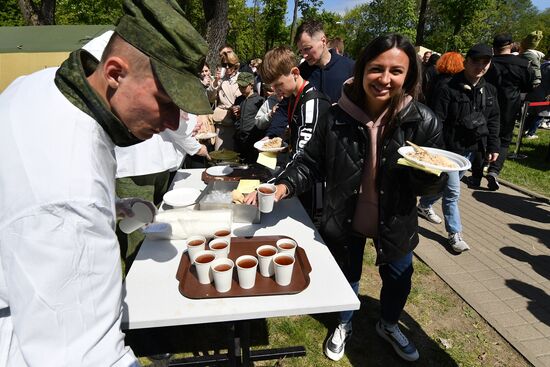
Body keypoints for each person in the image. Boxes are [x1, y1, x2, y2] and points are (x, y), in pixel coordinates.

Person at [0, 0, 212, 365]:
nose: (173, 120)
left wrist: (110, 206)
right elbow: (84, 355)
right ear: (115, 73)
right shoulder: (70, 197)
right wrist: (91, 208)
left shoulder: (37, 86)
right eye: (165, 101)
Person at [247, 34, 447, 362]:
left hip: (395, 219)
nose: (385, 79)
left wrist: (426, 177)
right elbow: (310, 162)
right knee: (346, 273)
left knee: (399, 278)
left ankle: (389, 323)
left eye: (396, 71)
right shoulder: (337, 116)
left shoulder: (423, 122)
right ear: (363, 68)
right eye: (376, 69)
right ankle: (344, 322)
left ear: (408, 75)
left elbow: (432, 187)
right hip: (345, 213)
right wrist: (282, 187)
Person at [417, 44, 500, 252]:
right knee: (453, 191)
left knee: (445, 186)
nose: (480, 66)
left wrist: (493, 146)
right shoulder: (448, 87)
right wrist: (437, 151)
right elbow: (438, 120)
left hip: (471, 150)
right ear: (466, 62)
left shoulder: (489, 90)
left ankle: (424, 205)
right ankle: (455, 234)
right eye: (476, 62)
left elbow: (493, 120)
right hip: (449, 150)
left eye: (485, 62)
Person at [259, 46, 332, 217]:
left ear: (295, 72)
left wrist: (271, 184)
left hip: (314, 186)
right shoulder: (294, 97)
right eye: (273, 86)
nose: (277, 91)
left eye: (279, 84)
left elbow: (303, 154)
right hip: (298, 179)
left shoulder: (311, 101)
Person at [266, 20, 355, 139]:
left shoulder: (350, 68)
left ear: (323, 41)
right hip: (305, 146)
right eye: (301, 51)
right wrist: (271, 136)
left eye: (307, 48)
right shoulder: (300, 72)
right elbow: (285, 106)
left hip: (339, 143)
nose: (304, 55)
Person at [483, 34, 534, 190]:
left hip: (487, 102)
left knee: (483, 133)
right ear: (511, 45)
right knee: (504, 139)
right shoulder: (523, 64)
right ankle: (494, 170)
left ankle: (479, 169)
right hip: (509, 105)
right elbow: (528, 86)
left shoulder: (488, 62)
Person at [207, 50, 241, 150]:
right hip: (222, 122)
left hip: (237, 122)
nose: (226, 67)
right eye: (224, 64)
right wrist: (216, 82)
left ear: (236, 66)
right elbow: (211, 98)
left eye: (229, 65)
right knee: (220, 155)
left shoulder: (242, 79)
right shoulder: (220, 79)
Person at [233, 72, 265, 163]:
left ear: (251, 85)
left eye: (243, 86)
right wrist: (235, 114)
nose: (241, 89)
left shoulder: (259, 100)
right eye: (239, 86)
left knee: (252, 165)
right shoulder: (239, 100)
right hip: (239, 139)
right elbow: (235, 119)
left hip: (253, 139)